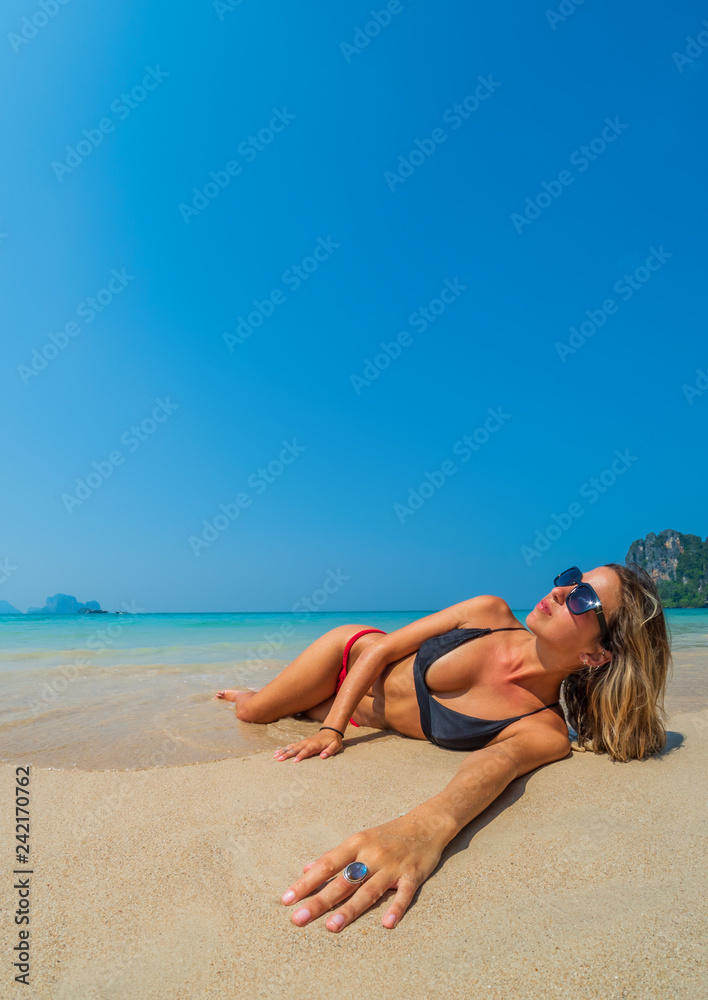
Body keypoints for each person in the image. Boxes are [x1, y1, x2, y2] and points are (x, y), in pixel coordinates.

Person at [213, 563, 671, 933]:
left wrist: (422, 831)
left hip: (350, 711)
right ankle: (248, 692)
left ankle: (285, 695)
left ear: (597, 655)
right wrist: (334, 731)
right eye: (569, 579)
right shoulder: (488, 613)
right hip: (348, 656)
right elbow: (383, 650)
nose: (560, 591)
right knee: (252, 713)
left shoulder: (543, 730)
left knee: (294, 710)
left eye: (582, 598)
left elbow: (494, 765)